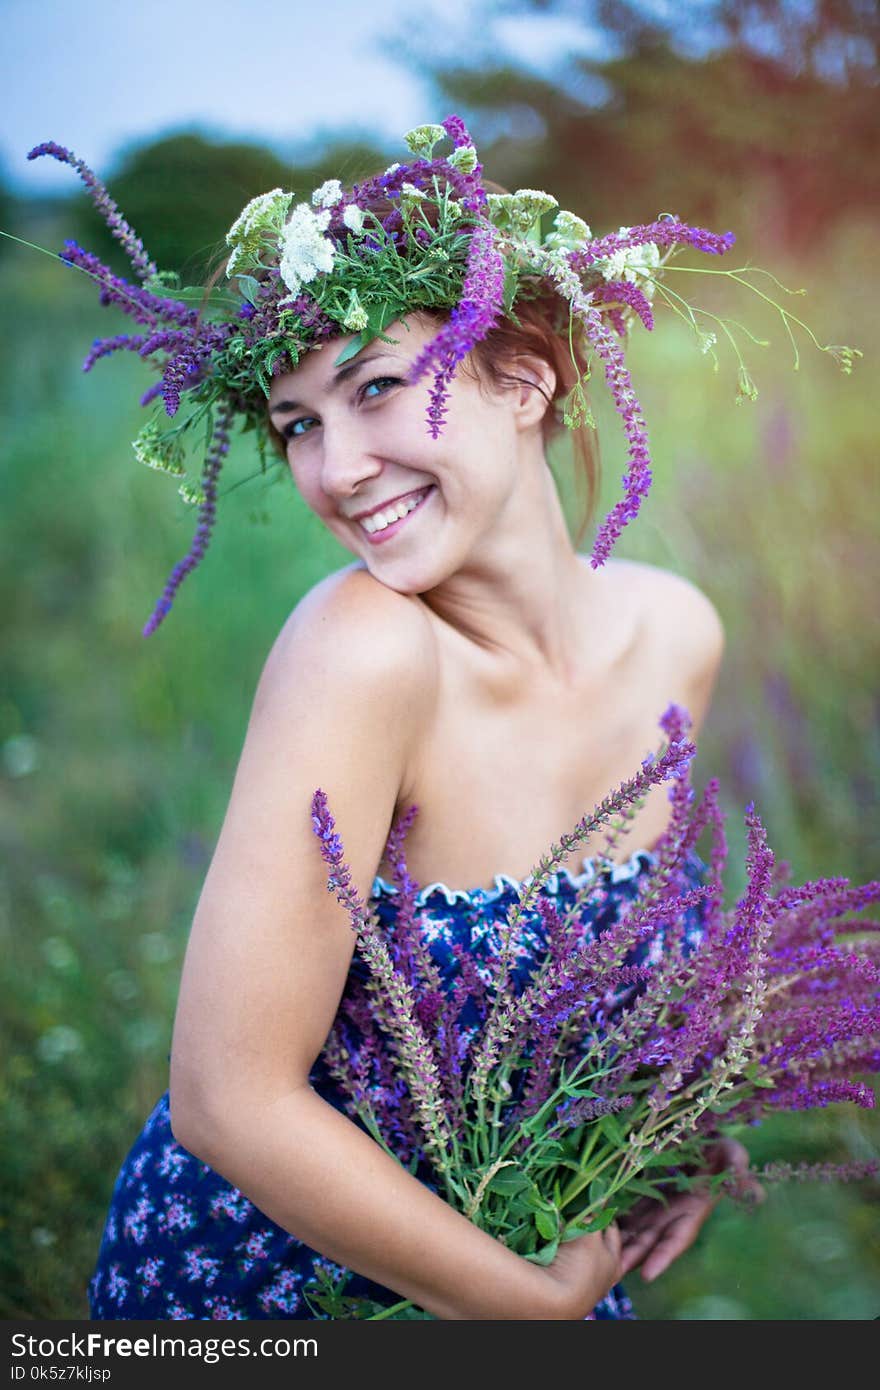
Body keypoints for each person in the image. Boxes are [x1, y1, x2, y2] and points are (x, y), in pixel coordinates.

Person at [30, 119, 759, 1320]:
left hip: (528, 1246)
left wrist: (675, 1133)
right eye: (298, 422)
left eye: (374, 388)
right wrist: (527, 1312)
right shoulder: (362, 651)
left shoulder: (678, 633)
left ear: (523, 378)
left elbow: (628, 970)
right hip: (282, 1287)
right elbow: (228, 1099)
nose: (339, 467)